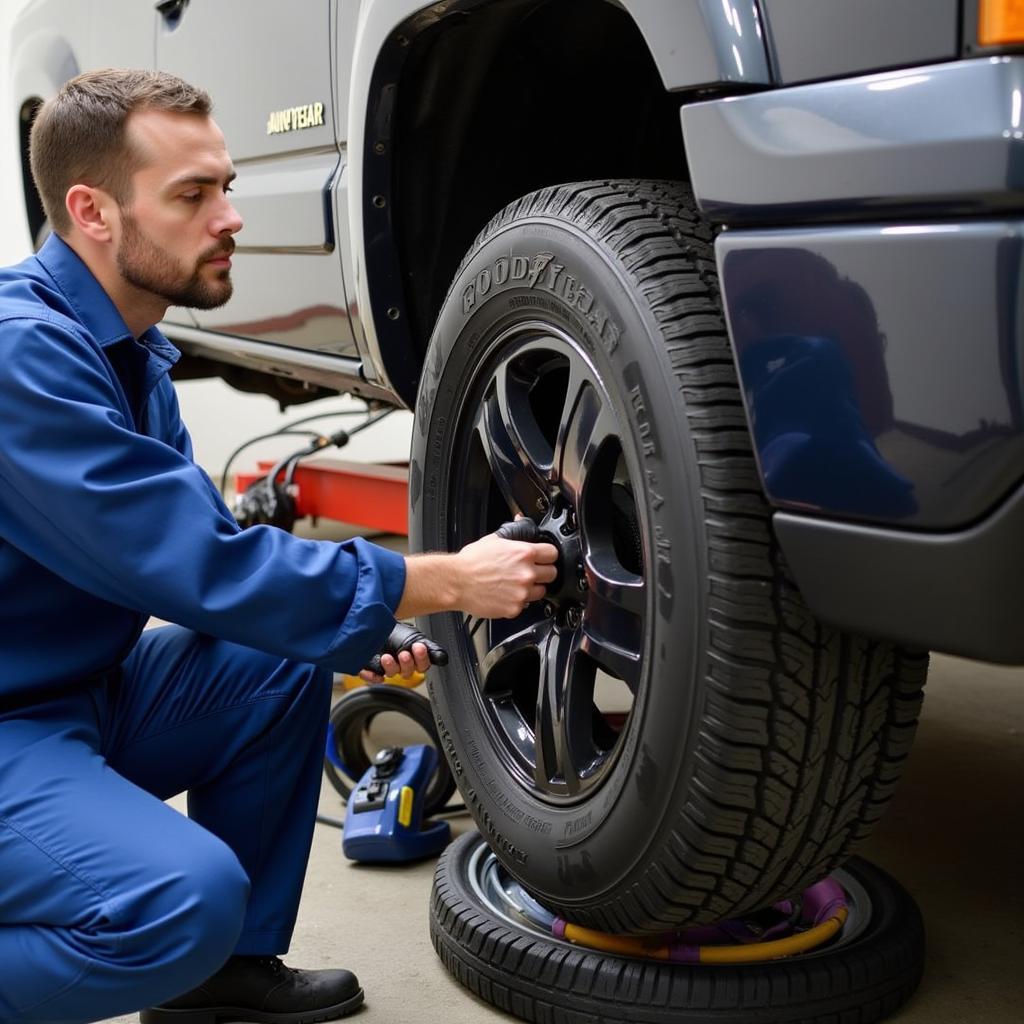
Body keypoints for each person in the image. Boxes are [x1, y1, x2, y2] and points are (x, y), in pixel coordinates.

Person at [0, 69, 559, 1024]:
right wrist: (444, 580)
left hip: (71, 696)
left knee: (284, 654)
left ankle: (221, 986)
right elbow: (192, 563)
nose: (230, 218)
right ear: (92, 212)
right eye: (193, 195)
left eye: (227, 187)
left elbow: (206, 562)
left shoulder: (129, 353)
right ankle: (192, 948)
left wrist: (355, 617)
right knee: (182, 900)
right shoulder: (21, 357)